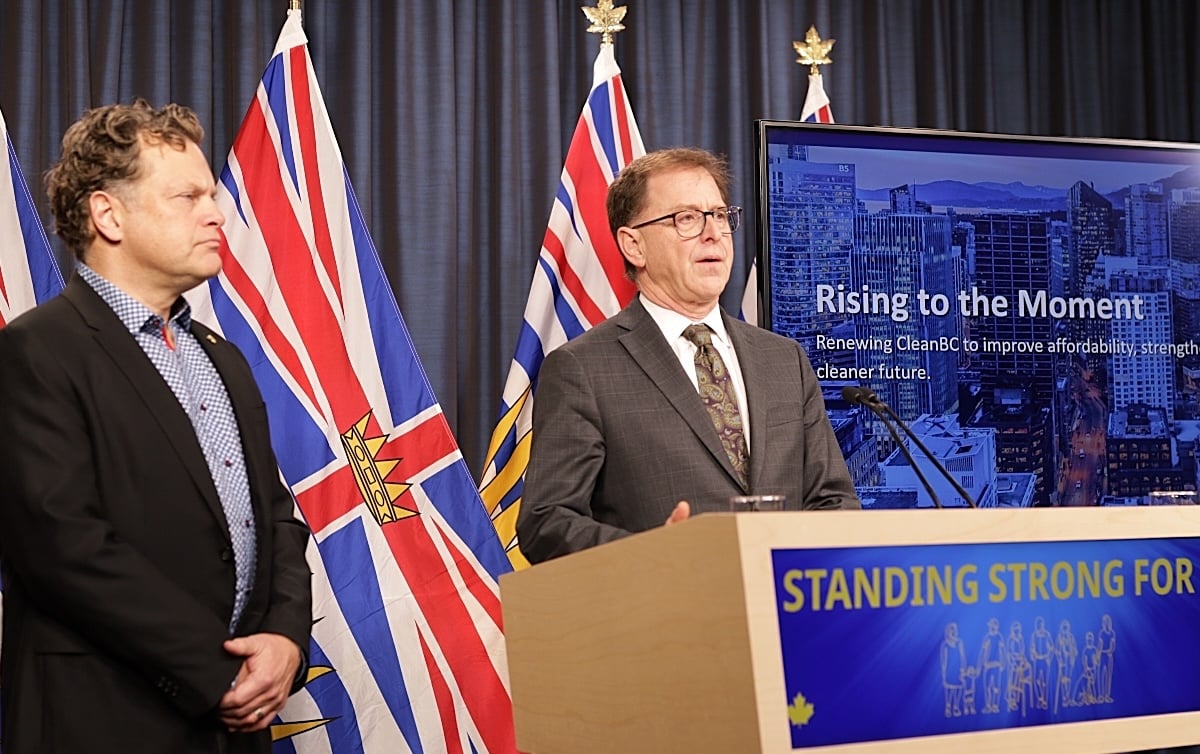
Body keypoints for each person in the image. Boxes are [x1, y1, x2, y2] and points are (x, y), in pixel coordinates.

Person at [0, 100, 312, 753]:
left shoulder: (222, 358)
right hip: (104, 722)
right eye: (187, 196)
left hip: (235, 731)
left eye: (213, 194)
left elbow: (278, 521)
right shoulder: (38, 350)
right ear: (108, 215)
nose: (215, 213)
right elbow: (64, 547)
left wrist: (285, 640)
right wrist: (218, 670)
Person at [517, 147, 859, 563]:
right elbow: (546, 522)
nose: (713, 233)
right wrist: (655, 554)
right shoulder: (583, 369)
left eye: (719, 215)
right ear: (634, 245)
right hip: (667, 614)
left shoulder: (783, 359)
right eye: (687, 219)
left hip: (786, 614)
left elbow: (833, 501)